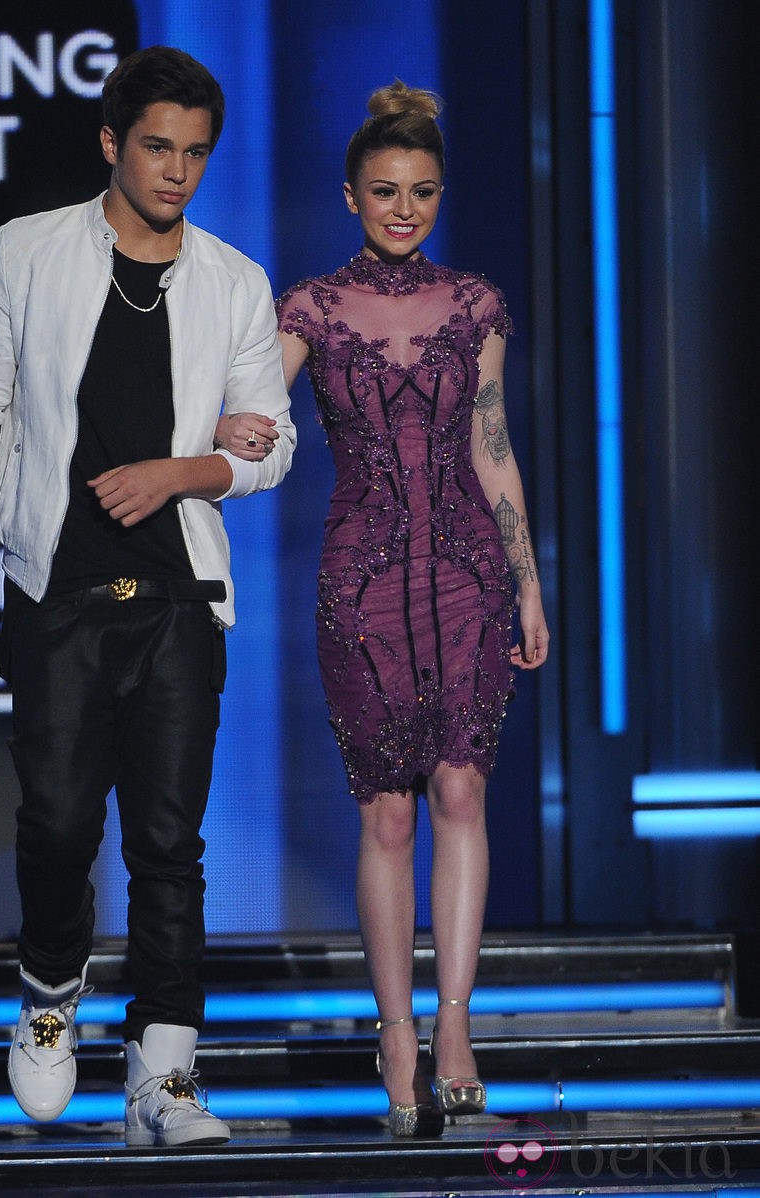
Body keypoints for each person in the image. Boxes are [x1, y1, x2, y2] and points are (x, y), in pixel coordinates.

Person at [0, 45, 295, 1148]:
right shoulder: (28, 253)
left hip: (178, 595)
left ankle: (162, 1079)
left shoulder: (233, 281)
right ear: (113, 144)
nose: (176, 172)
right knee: (59, 821)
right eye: (157, 147)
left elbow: (273, 448)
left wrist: (183, 470)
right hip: (57, 589)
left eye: (196, 153)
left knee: (168, 842)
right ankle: (48, 994)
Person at [218, 81, 548, 1137]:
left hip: (464, 571)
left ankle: (453, 1026)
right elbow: (250, 413)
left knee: (460, 791)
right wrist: (233, 422)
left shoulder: (475, 305)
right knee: (387, 810)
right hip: (358, 579)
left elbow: (491, 450)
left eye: (421, 192)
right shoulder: (307, 308)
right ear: (350, 195)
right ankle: (394, 1029)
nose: (403, 209)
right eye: (384, 192)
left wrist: (527, 581)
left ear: (437, 195)